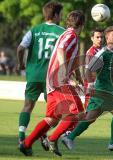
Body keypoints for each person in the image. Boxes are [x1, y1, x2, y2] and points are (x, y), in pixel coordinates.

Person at [61, 26, 113, 151]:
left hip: (108, 90)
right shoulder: (102, 53)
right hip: (102, 90)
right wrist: (91, 86)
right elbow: (88, 70)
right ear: (107, 37)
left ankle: (69, 137)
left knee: (90, 118)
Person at [18, 10, 86, 156]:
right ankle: (53, 139)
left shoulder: (66, 34)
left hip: (51, 80)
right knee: (78, 113)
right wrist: (64, 72)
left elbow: (70, 58)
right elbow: (61, 50)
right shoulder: (71, 35)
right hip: (60, 80)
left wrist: (78, 75)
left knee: (52, 119)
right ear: (82, 24)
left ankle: (26, 144)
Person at [16, 1, 64, 146]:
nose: (61, 16)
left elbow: (20, 48)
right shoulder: (61, 32)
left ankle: (21, 136)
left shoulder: (34, 30)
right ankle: (42, 134)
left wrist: (21, 64)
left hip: (33, 75)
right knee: (54, 113)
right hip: (51, 78)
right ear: (55, 15)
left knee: (27, 106)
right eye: (60, 14)